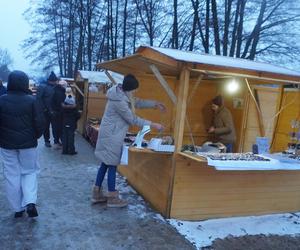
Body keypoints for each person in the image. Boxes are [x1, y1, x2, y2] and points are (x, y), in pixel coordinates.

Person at [92, 74, 165, 208]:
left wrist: (155, 104)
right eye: (134, 90)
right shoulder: (119, 101)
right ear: (129, 89)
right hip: (111, 136)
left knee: (105, 163)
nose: (135, 92)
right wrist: (154, 124)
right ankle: (112, 198)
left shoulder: (121, 94)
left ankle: (96, 194)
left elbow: (137, 101)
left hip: (110, 133)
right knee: (112, 164)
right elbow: (133, 119)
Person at [0, 70, 45, 218]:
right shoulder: (32, 100)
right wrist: (34, 137)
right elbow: (40, 122)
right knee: (30, 171)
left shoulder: (1, 100)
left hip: (6, 144)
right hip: (28, 144)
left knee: (11, 174)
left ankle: (17, 208)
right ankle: (30, 202)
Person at [36, 71, 58, 147]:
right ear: (50, 80)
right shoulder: (43, 87)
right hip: (45, 111)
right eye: (54, 81)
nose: (55, 82)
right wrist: (43, 109)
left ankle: (56, 141)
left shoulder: (56, 87)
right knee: (46, 127)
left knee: (55, 126)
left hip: (54, 110)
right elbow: (38, 99)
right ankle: (47, 141)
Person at [51, 80, 67, 149]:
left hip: (54, 112)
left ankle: (57, 142)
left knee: (55, 127)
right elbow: (61, 104)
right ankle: (57, 143)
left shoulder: (54, 90)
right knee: (59, 128)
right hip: (58, 113)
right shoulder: (60, 93)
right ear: (63, 86)